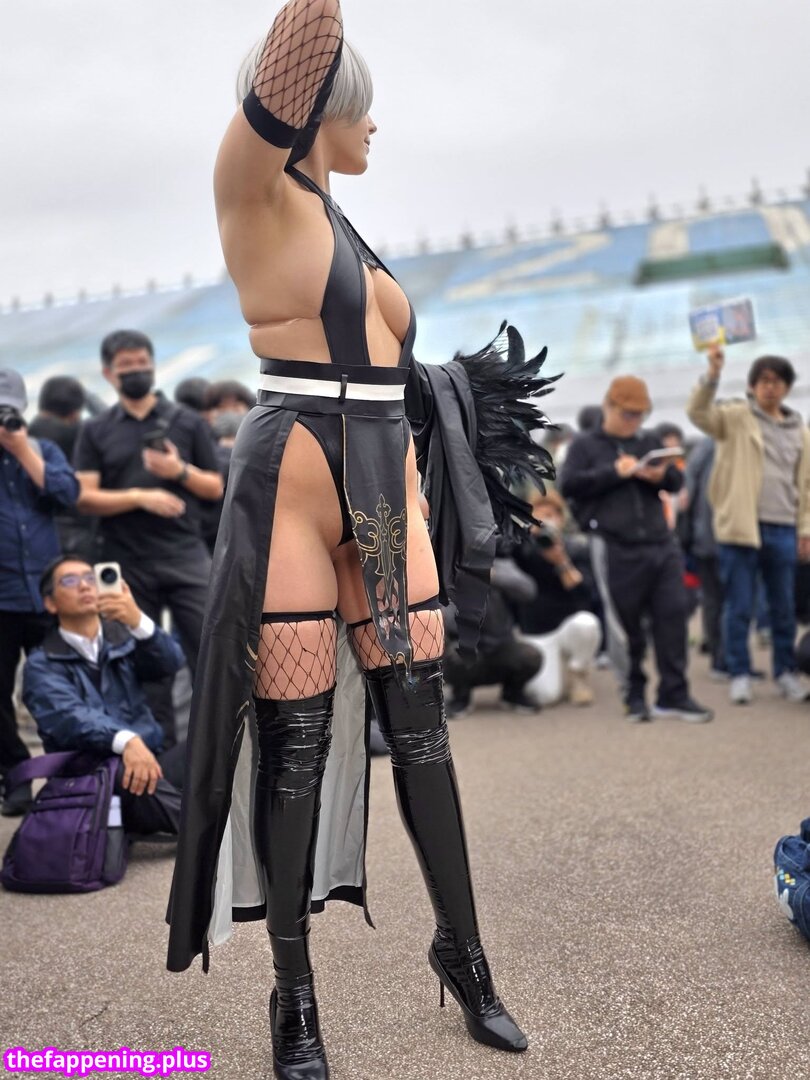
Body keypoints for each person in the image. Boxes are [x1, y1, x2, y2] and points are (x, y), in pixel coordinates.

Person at [165, 4, 554, 1075]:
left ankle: (465, 956)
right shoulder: (249, 187)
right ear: (314, 103)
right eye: (361, 106)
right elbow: (303, 37)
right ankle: (294, 1000)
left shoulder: (338, 218)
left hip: (383, 475)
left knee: (422, 733)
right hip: (293, 479)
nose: (375, 124)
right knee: (294, 748)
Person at [72, 330, 224, 745]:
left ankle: (219, 749)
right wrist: (140, 496)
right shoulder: (96, 430)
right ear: (108, 373)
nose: (136, 371)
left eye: (142, 363)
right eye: (126, 366)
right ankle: (160, 756)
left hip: (186, 554)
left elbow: (215, 487)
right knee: (142, 663)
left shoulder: (186, 421)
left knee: (212, 651)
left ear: (153, 365)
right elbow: (84, 497)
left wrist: (178, 472)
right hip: (127, 562)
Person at [559, 374, 713, 724]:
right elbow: (569, 485)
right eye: (627, 413)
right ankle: (634, 693)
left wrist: (661, 476)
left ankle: (674, 694)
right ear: (608, 406)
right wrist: (614, 471)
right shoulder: (585, 445)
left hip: (661, 542)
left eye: (640, 414)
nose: (634, 421)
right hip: (614, 545)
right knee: (624, 626)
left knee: (673, 616)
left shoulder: (648, 440)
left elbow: (676, 481)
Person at [23, 555, 185, 836]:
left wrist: (138, 622)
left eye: (91, 578)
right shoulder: (40, 664)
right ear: (50, 603)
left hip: (148, 765)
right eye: (70, 581)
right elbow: (70, 716)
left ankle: (177, 814)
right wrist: (127, 740)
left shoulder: (123, 641)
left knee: (212, 741)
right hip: (91, 780)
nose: (85, 586)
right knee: (124, 771)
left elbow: (170, 663)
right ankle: (205, 829)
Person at [687, 345, 810, 705]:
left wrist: (805, 529)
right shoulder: (735, 417)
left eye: (777, 381)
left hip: (783, 527)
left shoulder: (800, 430)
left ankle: (785, 672)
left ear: (787, 387)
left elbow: (805, 486)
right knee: (738, 605)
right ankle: (739, 672)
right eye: (763, 380)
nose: (770, 387)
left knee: (783, 606)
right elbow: (698, 413)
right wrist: (712, 374)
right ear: (753, 385)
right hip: (741, 527)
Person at [0, 369, 80, 816]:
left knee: (57, 688)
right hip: (3, 596)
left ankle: (65, 776)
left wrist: (22, 449)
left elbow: (68, 493)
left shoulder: (42, 450)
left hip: (46, 595)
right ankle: (15, 776)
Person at [515, 491, 601, 707]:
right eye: (538, 517)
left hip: (568, 627)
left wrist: (561, 561)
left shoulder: (575, 548)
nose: (544, 522)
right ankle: (553, 668)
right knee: (544, 696)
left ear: (561, 519)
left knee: (587, 624)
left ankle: (578, 672)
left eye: (550, 516)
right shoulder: (521, 549)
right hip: (537, 632)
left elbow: (585, 594)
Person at [442, 552, 542, 717]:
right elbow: (446, 619)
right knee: (455, 657)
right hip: (466, 647)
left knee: (531, 656)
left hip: (502, 646)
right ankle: (460, 696)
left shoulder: (501, 564)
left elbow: (529, 591)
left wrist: (492, 576)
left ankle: (512, 694)